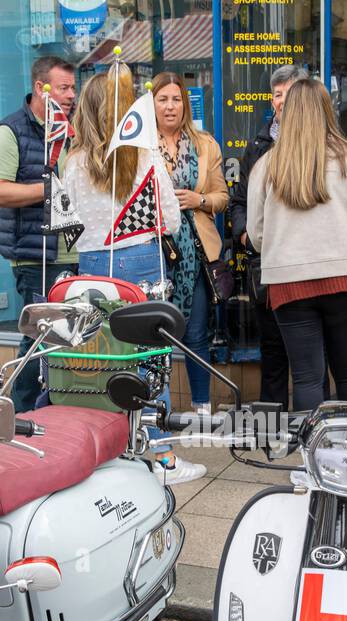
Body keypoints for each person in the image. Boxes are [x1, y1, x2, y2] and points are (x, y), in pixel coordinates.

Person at [64, 68, 203, 485]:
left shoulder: (72, 163)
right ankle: (161, 457)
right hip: (143, 262)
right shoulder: (145, 157)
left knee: (102, 359)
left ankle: (114, 450)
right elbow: (173, 220)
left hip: (91, 266)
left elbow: (68, 226)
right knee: (151, 362)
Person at [247, 78, 347, 412]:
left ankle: (311, 460)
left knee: (307, 379)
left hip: (289, 282)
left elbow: (256, 234)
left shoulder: (268, 165)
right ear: (328, 110)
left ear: (287, 113)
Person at [0, 55, 79, 411]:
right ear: (41, 88)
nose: (71, 94)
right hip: (35, 255)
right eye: (63, 87)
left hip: (73, 249)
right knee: (39, 339)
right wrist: (48, 189)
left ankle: (56, 412)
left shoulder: (71, 129)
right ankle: (17, 412)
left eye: (73, 87)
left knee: (66, 339)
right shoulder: (11, 131)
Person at [229, 64, 307, 409]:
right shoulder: (258, 145)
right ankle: (272, 424)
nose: (282, 101)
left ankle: (312, 426)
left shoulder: (319, 144)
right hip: (268, 264)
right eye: (277, 94)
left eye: (290, 94)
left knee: (309, 354)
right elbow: (238, 201)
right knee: (272, 349)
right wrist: (245, 234)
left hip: (308, 266)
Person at [152, 72, 229, 416]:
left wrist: (199, 200)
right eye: (163, 99)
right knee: (154, 336)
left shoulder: (205, 144)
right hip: (153, 252)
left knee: (196, 333)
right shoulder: (140, 146)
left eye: (176, 99)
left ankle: (201, 408)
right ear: (151, 104)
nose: (170, 107)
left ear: (186, 103)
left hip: (195, 254)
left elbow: (222, 196)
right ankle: (156, 408)